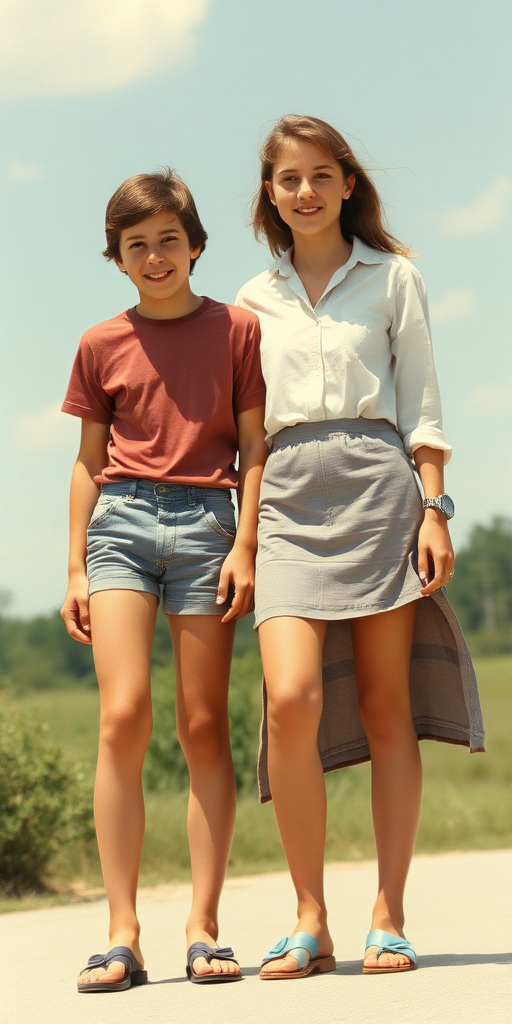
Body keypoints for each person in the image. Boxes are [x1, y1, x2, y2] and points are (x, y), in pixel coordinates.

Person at [236, 115, 483, 979]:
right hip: (287, 503)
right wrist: (241, 536)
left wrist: (435, 507)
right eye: (286, 179)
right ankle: (310, 917)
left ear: (346, 183)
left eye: (318, 176)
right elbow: (247, 435)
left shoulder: (395, 278)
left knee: (387, 707)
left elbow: (422, 399)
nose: (303, 192)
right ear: (268, 194)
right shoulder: (249, 302)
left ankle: (389, 912)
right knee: (290, 700)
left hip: (381, 488)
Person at [60, 169, 267, 990]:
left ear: (196, 245)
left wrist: (245, 544)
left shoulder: (237, 331)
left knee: (202, 723)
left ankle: (204, 926)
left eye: (168, 240)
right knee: (122, 717)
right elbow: (85, 463)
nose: (154, 256)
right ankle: (121, 931)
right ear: (116, 257)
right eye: (136, 244)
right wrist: (75, 564)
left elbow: (256, 449)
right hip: (119, 526)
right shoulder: (100, 343)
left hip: (209, 526)